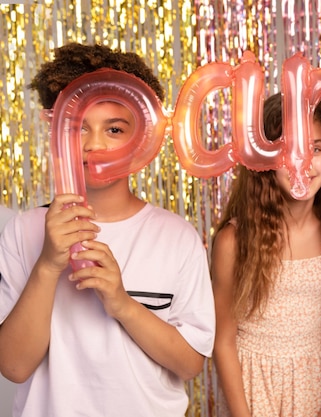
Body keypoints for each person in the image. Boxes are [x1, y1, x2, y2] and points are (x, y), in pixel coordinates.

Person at [0, 43, 215, 416]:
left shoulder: (177, 238)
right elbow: (14, 366)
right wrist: (49, 264)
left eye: (114, 129)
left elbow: (190, 364)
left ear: (143, 138)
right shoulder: (25, 230)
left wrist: (122, 304)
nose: (94, 145)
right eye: (78, 127)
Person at [211, 92, 321, 417]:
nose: (303, 162)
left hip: (310, 384)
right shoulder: (234, 240)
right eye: (288, 151)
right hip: (252, 386)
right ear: (264, 158)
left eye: (315, 148)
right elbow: (223, 341)